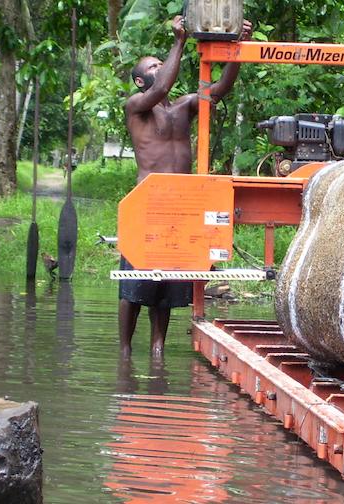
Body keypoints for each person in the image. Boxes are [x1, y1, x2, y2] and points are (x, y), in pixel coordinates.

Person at [119, 15, 252, 358]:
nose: (160, 66)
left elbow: (219, 90)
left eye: (162, 62)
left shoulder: (183, 107)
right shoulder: (136, 107)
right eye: (153, 65)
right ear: (139, 79)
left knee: (165, 280)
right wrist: (179, 41)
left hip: (180, 204)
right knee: (135, 282)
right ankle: (124, 351)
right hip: (147, 202)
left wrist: (239, 49)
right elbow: (160, 88)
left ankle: (158, 348)